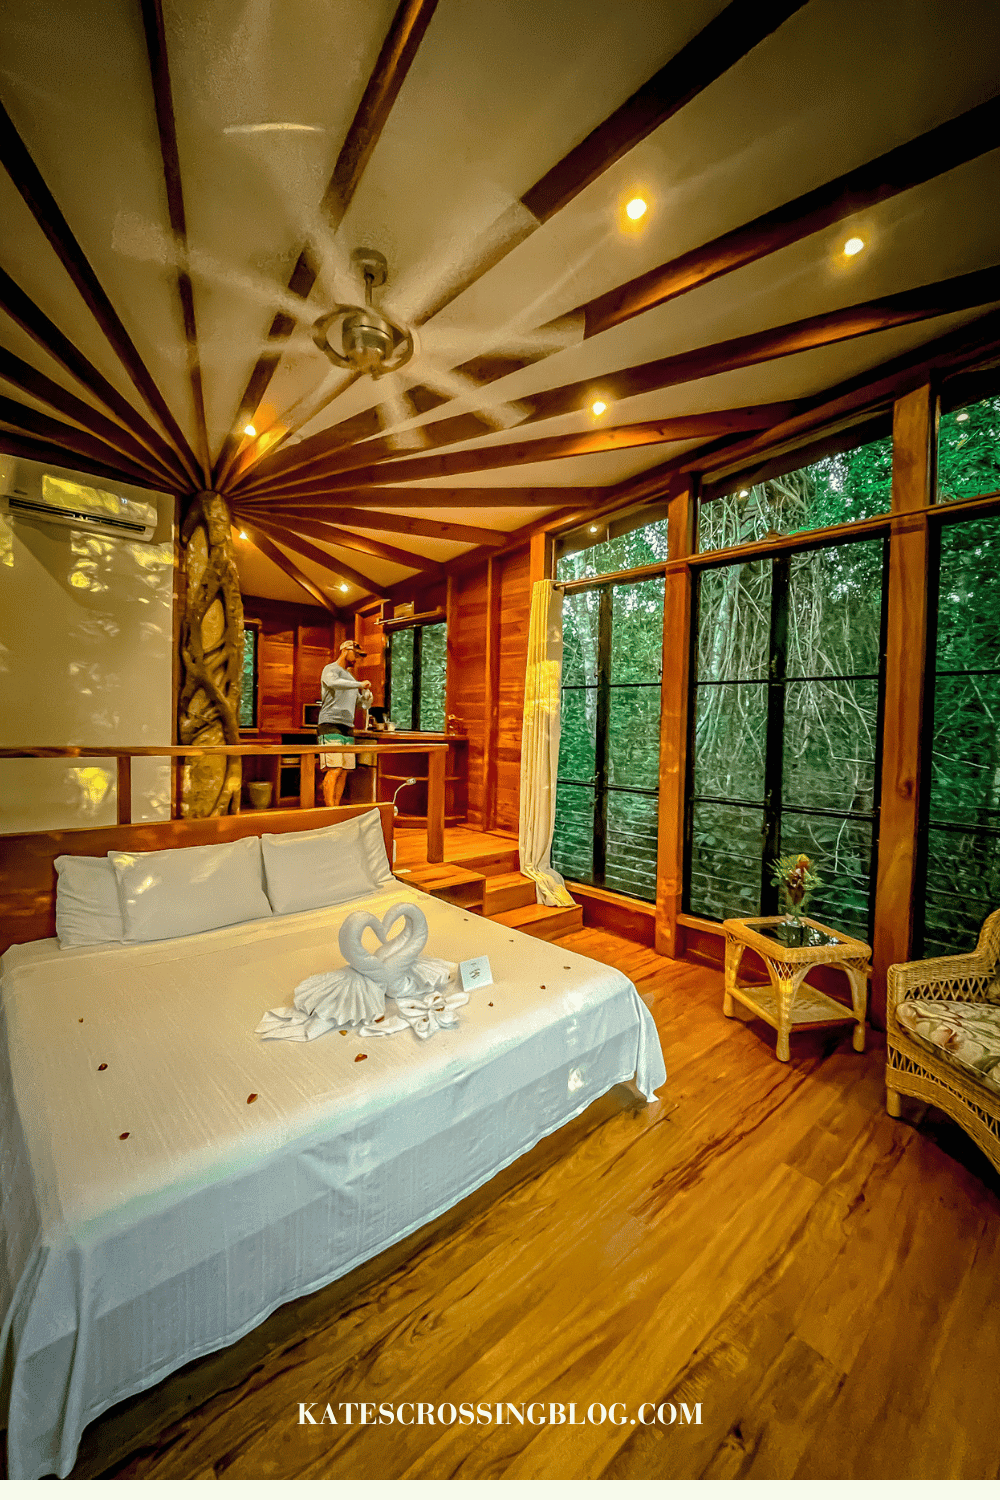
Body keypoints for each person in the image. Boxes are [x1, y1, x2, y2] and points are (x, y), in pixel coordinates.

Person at [318, 640, 372, 806]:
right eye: (355, 654)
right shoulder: (330, 670)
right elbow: (333, 683)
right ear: (344, 650)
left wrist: (367, 699)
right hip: (330, 724)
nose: (357, 659)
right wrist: (359, 684)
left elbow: (360, 705)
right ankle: (329, 811)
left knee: (345, 771)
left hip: (348, 727)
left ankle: (336, 808)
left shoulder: (351, 679)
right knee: (335, 768)